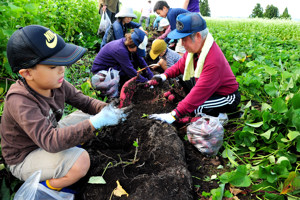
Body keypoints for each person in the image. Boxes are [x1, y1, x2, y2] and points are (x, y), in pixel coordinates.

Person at [0, 25, 129, 193]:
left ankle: (66, 156)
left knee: (85, 114)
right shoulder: (19, 100)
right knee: (81, 161)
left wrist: (108, 110)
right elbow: (50, 141)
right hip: (26, 157)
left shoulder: (56, 83)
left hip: (47, 136)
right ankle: (46, 189)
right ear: (27, 74)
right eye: (53, 66)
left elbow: (86, 103)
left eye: (61, 63)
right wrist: (97, 122)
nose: (62, 69)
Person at [149, 13, 240, 124]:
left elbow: (199, 92)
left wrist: (174, 115)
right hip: (209, 88)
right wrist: (163, 76)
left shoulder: (213, 60)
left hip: (225, 96)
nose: (182, 44)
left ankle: (223, 118)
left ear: (197, 36)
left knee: (198, 108)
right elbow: (179, 66)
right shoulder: (195, 50)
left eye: (184, 39)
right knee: (183, 79)